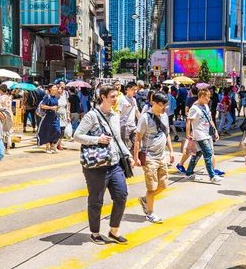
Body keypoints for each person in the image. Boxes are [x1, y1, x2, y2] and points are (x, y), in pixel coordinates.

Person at [74, 84, 134, 245]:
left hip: (114, 163)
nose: (115, 100)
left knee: (121, 196)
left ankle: (114, 230)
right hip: (96, 166)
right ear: (103, 97)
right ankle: (95, 233)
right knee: (96, 200)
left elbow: (117, 138)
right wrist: (97, 139)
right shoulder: (91, 116)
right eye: (112, 97)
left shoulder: (114, 116)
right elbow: (77, 135)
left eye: (116, 96)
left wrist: (128, 155)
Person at [134, 92, 175, 224]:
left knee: (163, 185)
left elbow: (167, 134)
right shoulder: (145, 118)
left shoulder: (164, 117)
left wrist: (171, 151)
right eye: (162, 105)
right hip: (150, 157)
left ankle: (146, 200)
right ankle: (150, 213)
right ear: (154, 103)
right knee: (151, 188)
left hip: (162, 156)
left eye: (166, 106)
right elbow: (137, 139)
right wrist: (136, 157)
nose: (164, 108)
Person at [185, 88, 223, 183]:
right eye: (207, 97)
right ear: (202, 97)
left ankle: (189, 172)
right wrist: (188, 133)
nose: (209, 99)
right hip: (199, 134)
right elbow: (189, 121)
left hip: (207, 133)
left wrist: (215, 131)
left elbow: (210, 119)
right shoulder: (194, 108)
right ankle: (212, 176)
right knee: (208, 153)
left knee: (198, 153)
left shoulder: (206, 106)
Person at [37, 84, 62, 154]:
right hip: (47, 116)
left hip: (54, 116)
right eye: (54, 87)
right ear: (50, 89)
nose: (56, 88)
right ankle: (47, 147)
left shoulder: (56, 97)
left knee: (57, 131)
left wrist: (57, 107)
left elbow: (55, 106)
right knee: (47, 131)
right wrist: (51, 107)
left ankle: (53, 145)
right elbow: (42, 105)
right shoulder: (47, 97)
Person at [116, 81, 140, 150]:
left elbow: (137, 112)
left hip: (133, 125)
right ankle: (126, 159)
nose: (135, 91)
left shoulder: (134, 100)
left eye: (136, 89)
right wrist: (117, 124)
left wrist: (142, 120)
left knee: (137, 144)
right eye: (133, 89)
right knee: (124, 145)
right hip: (124, 126)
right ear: (127, 90)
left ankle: (131, 155)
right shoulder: (122, 99)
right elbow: (119, 112)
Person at [56, 82, 70, 151]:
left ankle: (59, 144)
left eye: (61, 89)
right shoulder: (54, 97)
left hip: (63, 115)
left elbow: (67, 106)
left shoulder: (65, 95)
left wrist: (68, 115)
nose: (60, 90)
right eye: (58, 88)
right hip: (56, 116)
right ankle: (54, 144)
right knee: (57, 130)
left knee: (62, 130)